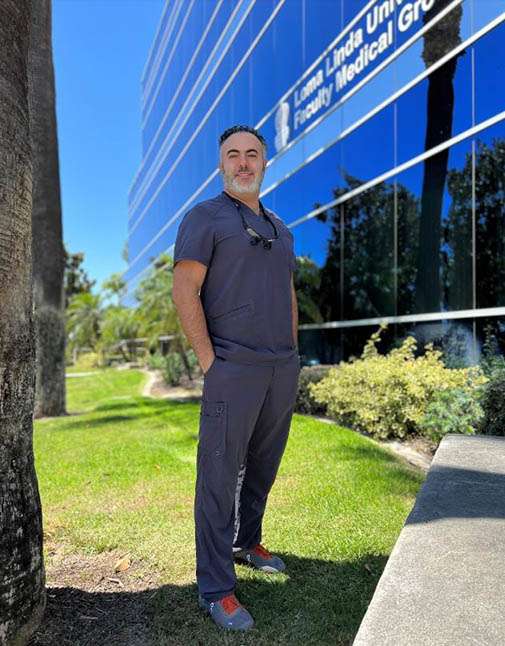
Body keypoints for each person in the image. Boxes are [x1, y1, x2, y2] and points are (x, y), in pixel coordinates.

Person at [172, 124, 300, 632]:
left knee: (263, 466)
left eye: (252, 155)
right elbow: (185, 292)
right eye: (233, 155)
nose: (244, 163)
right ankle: (217, 588)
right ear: (222, 165)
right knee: (219, 478)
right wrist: (210, 362)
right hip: (232, 368)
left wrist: (292, 353)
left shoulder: (282, 229)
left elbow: (287, 294)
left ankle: (248, 543)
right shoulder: (204, 218)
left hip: (280, 368)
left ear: (265, 164)